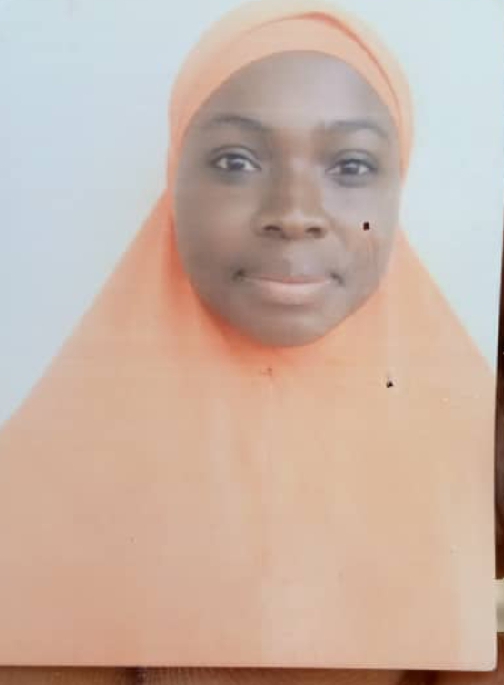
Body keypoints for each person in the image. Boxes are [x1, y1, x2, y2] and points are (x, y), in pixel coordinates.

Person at [0, 0, 501, 680]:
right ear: (173, 175)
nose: (294, 214)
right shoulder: (54, 463)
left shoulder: (477, 449)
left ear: (397, 185)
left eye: (352, 165)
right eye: (236, 161)